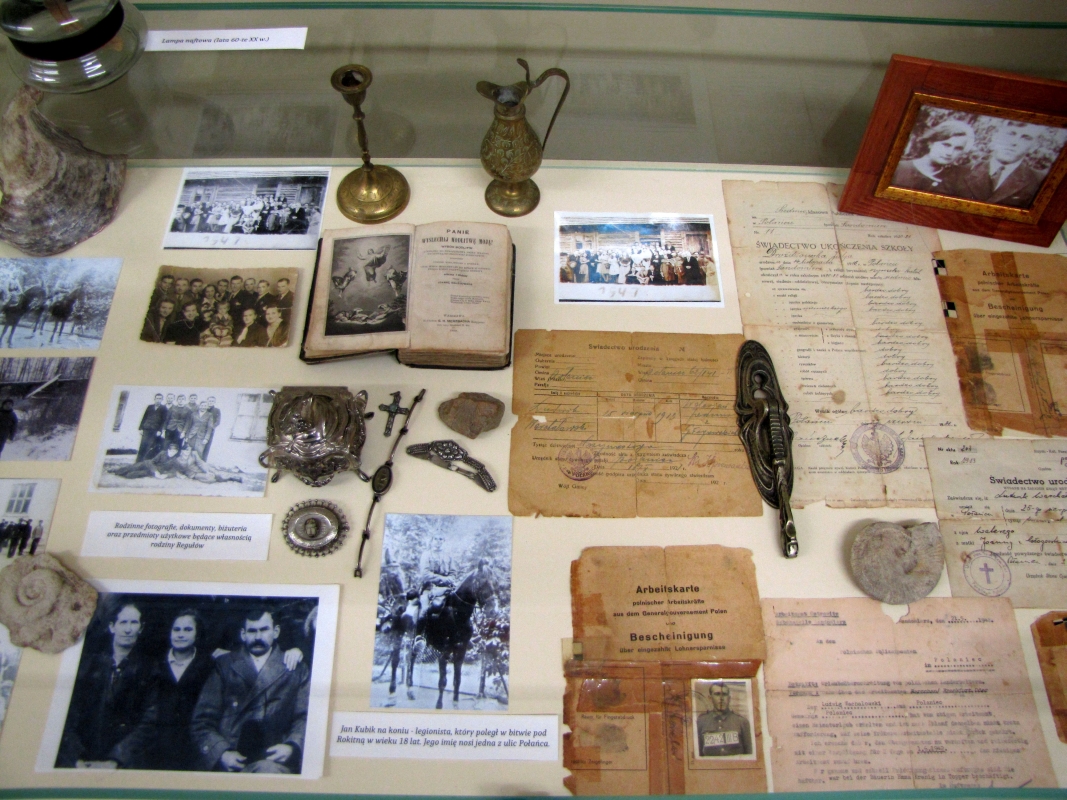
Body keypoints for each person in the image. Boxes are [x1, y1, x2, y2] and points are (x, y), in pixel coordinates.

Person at [191, 608, 310, 773]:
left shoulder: (296, 669)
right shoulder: (224, 665)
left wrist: (291, 746)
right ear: (243, 634)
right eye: (252, 631)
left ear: (276, 632)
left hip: (274, 762)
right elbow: (202, 720)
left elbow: (304, 717)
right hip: (229, 760)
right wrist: (221, 753)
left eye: (264, 630)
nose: (258, 637)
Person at [57, 602, 157, 769]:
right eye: (123, 622)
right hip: (82, 760)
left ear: (141, 628)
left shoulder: (150, 670)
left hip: (122, 762)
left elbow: (149, 721)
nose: (128, 629)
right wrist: (77, 757)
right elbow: (68, 713)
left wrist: (116, 759)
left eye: (134, 623)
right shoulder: (88, 666)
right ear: (112, 627)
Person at [954, 120, 1050, 207]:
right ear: (995, 136)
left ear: (1034, 146)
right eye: (1010, 134)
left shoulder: (1040, 181)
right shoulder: (961, 172)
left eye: (1026, 138)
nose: (1014, 142)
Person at [891, 119, 975, 193]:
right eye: (946, 145)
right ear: (930, 142)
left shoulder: (953, 180)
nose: (950, 153)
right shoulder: (899, 168)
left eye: (958, 148)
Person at [695, 682, 752, 757]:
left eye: (724, 694)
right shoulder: (701, 722)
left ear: (729, 698)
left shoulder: (742, 722)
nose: (721, 698)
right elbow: (698, 754)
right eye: (717, 694)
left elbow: (750, 753)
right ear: (710, 698)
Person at [136, 394, 168, 462]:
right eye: (157, 398)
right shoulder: (150, 407)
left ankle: (146, 462)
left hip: (155, 430)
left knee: (150, 446)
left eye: (160, 399)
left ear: (162, 400)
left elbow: (163, 420)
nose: (158, 400)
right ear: (154, 399)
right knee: (143, 445)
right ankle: (138, 462)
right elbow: (144, 417)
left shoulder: (164, 408)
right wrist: (140, 428)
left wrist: (160, 430)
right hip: (146, 428)